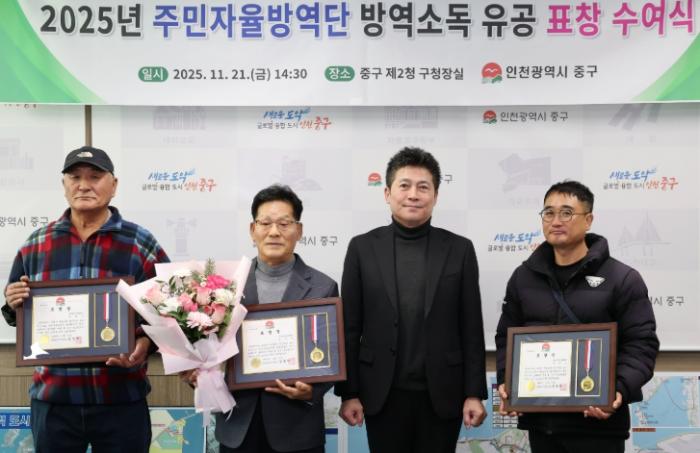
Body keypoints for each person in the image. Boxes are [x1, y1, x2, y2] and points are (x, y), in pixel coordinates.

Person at [2, 145, 169, 452]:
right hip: (54, 400)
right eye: (75, 177)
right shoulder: (36, 243)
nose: (83, 185)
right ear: (64, 185)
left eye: (94, 176)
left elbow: (168, 314)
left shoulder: (139, 243)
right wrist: (14, 300)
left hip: (121, 398)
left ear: (114, 185)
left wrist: (144, 344)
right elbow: (17, 313)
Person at [335, 147, 488, 453]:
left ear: (436, 195)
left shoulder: (459, 249)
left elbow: (471, 327)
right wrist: (349, 393)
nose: (413, 195)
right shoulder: (362, 248)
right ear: (388, 193)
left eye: (423, 187)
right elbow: (349, 328)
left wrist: (474, 393)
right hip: (381, 394)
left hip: (442, 393)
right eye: (404, 185)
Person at [495, 180, 659, 453]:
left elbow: (641, 344)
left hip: (598, 426)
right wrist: (507, 381)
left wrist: (616, 390)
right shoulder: (523, 277)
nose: (556, 221)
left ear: (588, 220)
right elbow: (505, 338)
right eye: (549, 213)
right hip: (542, 426)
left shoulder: (622, 278)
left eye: (567, 212)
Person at [212, 184, 338, 453]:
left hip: (296, 427)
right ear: (252, 229)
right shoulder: (225, 285)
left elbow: (333, 353)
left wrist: (313, 391)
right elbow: (207, 347)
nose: (274, 232)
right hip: (238, 425)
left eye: (284, 223)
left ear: (299, 231)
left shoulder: (323, 287)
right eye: (265, 223)